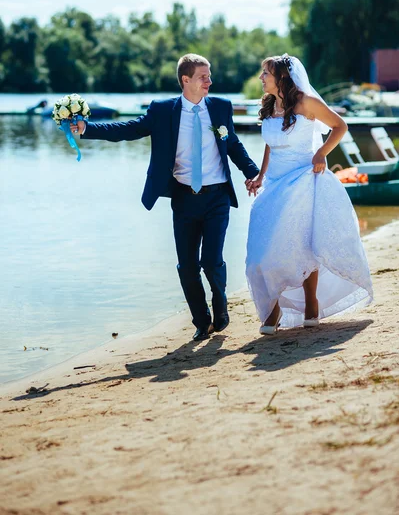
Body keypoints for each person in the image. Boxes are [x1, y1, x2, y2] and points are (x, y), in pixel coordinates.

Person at [70, 54, 259, 342]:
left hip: (217, 196)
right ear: (186, 80)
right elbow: (127, 130)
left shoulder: (221, 107)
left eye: (209, 76)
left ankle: (220, 302)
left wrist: (251, 171)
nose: (210, 81)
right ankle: (201, 320)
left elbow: (232, 142)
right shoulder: (162, 111)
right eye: (203, 77)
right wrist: (87, 128)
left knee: (211, 261)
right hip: (183, 198)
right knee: (186, 265)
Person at [245, 54, 373, 335]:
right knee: (262, 252)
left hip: (303, 180)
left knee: (302, 245)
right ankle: (274, 305)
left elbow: (340, 126)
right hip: (274, 184)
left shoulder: (306, 103)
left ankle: (310, 305)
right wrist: (260, 176)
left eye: (265, 73)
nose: (261, 78)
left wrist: (321, 153)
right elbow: (271, 144)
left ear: (281, 77)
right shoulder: (269, 106)